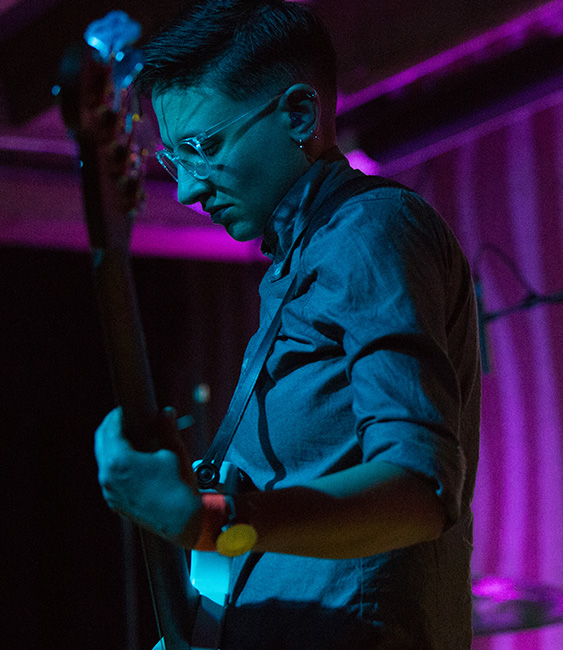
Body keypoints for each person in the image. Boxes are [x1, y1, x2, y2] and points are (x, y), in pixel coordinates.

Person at [92, 1, 480, 648]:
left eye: (203, 147)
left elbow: (420, 487)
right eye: (174, 158)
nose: (187, 189)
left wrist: (219, 519)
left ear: (299, 114)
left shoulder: (369, 230)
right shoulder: (297, 268)